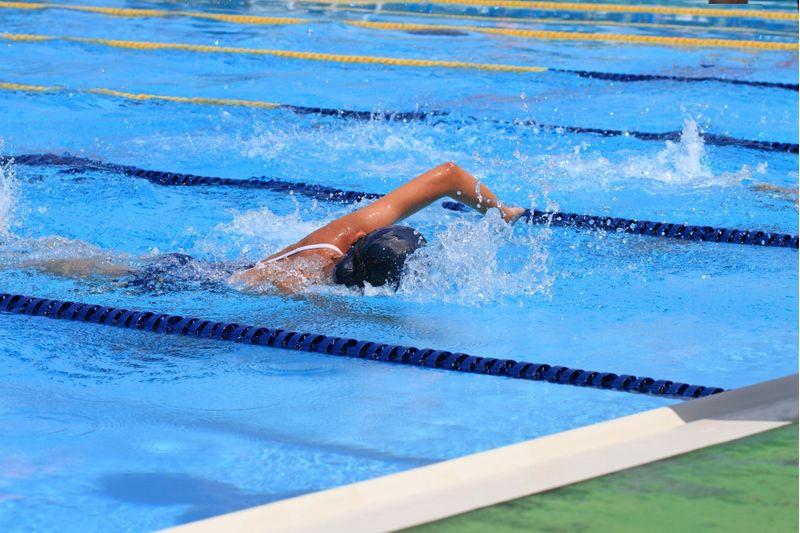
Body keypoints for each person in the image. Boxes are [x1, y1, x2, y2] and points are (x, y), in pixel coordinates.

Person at [228, 162, 526, 293]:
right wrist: (502, 215)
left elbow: (449, 175)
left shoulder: (339, 239)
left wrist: (500, 213)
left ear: (359, 239)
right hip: (204, 277)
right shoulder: (306, 277)